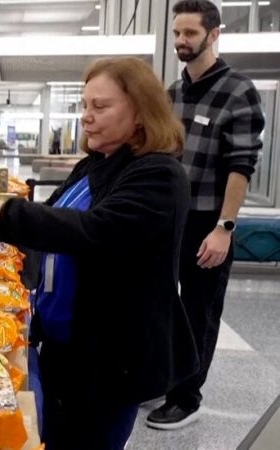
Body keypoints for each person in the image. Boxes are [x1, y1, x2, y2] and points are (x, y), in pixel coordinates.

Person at [0, 57, 198, 450]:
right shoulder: (96, 164)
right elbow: (54, 224)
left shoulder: (158, 175)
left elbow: (94, 231)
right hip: (65, 346)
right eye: (85, 106)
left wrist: (6, 209)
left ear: (141, 112)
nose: (86, 118)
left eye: (100, 107)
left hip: (110, 357)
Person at [147, 0, 266, 430]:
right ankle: (162, 378)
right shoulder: (172, 94)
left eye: (190, 34)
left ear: (213, 35)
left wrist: (224, 229)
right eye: (177, 33)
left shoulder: (238, 90)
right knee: (161, 303)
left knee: (199, 308)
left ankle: (186, 396)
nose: (181, 41)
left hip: (208, 221)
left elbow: (241, 166)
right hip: (169, 218)